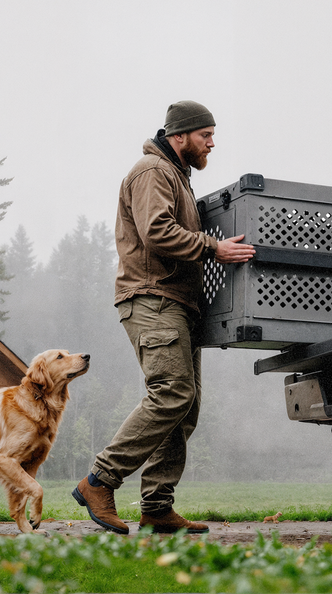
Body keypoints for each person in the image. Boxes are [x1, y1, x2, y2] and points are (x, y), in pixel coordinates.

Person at [72, 101, 254, 534]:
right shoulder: (152, 172)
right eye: (205, 134)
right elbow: (156, 231)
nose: (212, 142)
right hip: (151, 299)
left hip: (177, 303)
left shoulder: (177, 177)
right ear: (180, 136)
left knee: (184, 405)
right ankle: (100, 480)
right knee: (171, 392)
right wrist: (214, 247)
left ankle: (156, 506)